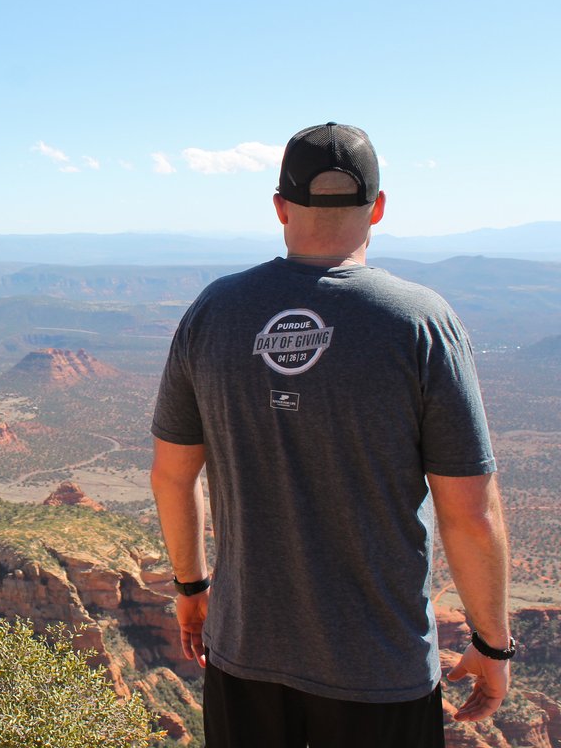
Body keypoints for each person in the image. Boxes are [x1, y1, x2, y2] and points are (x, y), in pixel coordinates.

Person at [149, 122, 512, 747]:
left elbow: (172, 476)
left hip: (244, 658)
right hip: (380, 668)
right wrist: (492, 642)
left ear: (279, 206)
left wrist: (191, 587)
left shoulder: (213, 313)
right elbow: (469, 512)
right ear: (377, 207)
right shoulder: (420, 321)